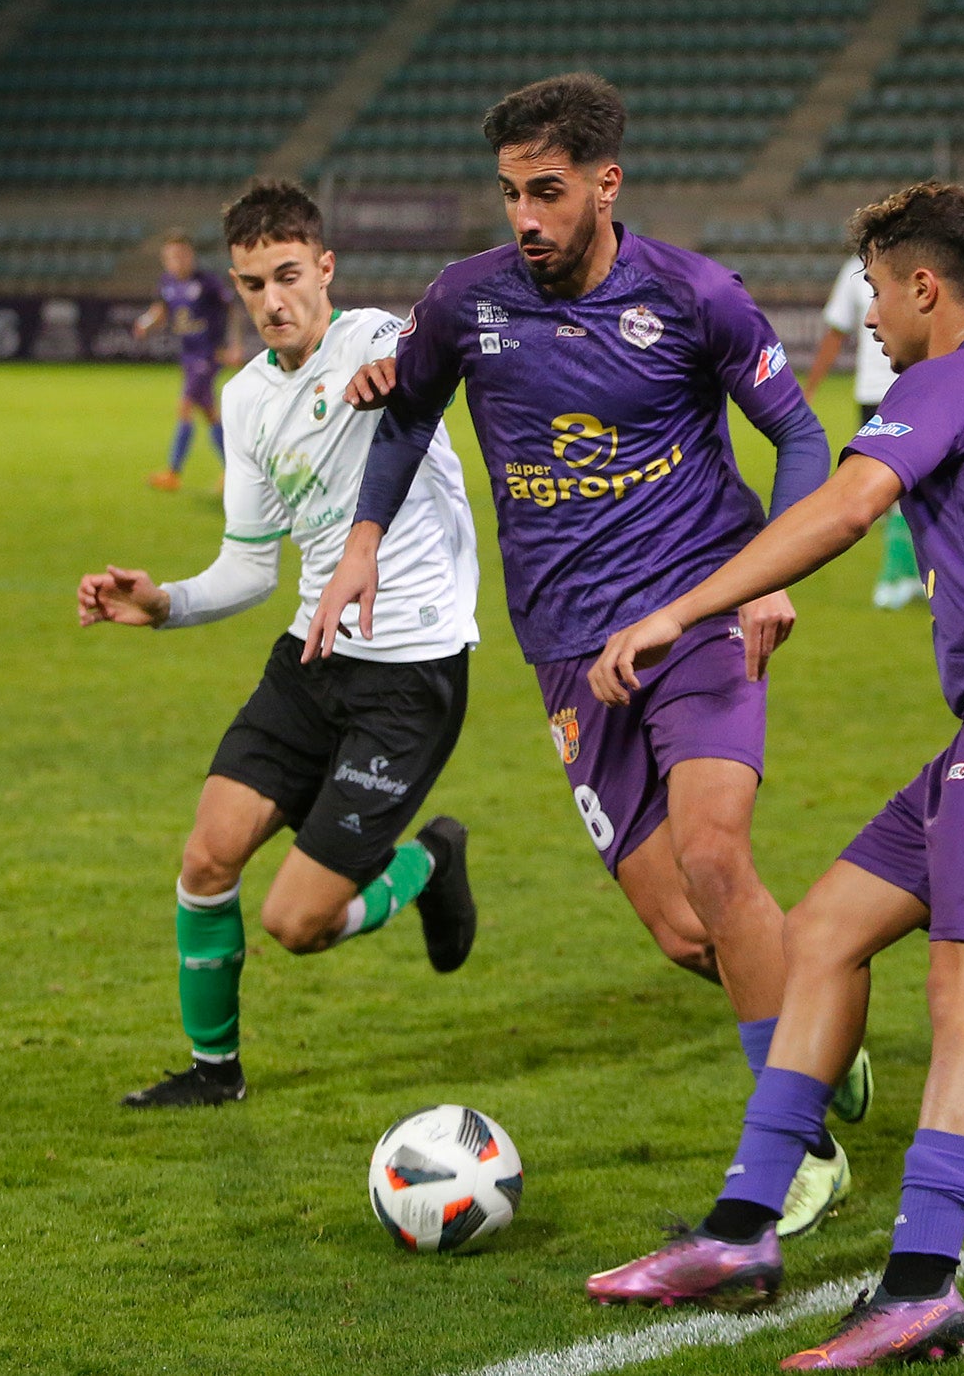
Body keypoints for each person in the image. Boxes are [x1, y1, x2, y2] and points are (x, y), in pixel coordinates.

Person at [585, 182, 964, 1369]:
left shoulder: (943, 380)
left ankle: (923, 1284)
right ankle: (744, 1230)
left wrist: (684, 607)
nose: (875, 319)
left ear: (924, 287)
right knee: (830, 929)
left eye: (880, 293)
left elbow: (848, 508)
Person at [306, 72, 872, 1235]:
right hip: (566, 647)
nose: (525, 216)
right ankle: (813, 1020)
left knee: (719, 858)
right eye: (511, 191)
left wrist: (768, 578)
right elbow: (409, 411)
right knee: (680, 929)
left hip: (699, 612)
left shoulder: (695, 295)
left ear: (606, 184)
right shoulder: (467, 302)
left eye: (548, 192)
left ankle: (797, 1139)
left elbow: (802, 434)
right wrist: (360, 545)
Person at [79, 182, 480, 1108]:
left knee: (296, 922)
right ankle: (214, 1074)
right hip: (308, 661)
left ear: (325, 268)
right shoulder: (248, 399)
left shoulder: (378, 342)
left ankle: (426, 865)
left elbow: (425, 357)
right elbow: (249, 568)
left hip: (409, 675)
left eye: (289, 276)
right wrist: (163, 602)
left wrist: (401, 370)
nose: (273, 301)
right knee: (207, 857)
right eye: (253, 284)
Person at [804, 254, 922, 611]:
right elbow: (836, 330)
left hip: (916, 385)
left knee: (909, 489)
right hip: (873, 391)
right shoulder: (855, 270)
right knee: (891, 494)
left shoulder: (916, 261)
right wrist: (809, 389)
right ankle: (903, 576)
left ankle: (902, 578)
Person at [134, 231, 243, 491]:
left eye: (181, 255)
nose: (177, 260)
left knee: (184, 406)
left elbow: (232, 309)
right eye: (172, 256)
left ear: (191, 256)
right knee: (210, 415)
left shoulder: (207, 283)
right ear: (165, 259)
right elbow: (160, 311)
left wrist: (235, 345)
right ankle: (236, 471)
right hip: (189, 355)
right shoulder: (167, 283)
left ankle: (172, 472)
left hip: (207, 355)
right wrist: (146, 323)